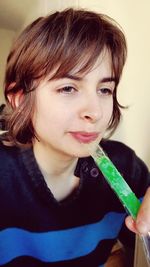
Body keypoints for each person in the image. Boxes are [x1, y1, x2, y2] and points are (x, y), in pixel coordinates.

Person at [0, 8, 150, 267]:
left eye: (104, 89)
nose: (95, 111)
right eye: (68, 88)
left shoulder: (125, 167)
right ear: (19, 98)